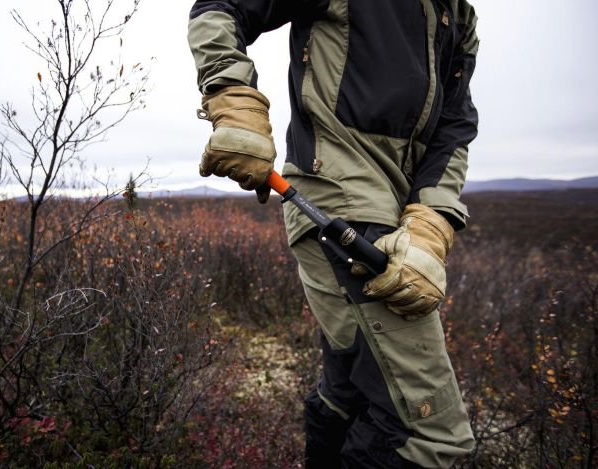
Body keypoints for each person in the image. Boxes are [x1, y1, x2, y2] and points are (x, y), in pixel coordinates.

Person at [187, 1, 479, 467]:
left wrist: (431, 221)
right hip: (339, 201)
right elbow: (220, 8)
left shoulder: (459, 17)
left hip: (403, 217)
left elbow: (455, 127)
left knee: (350, 392)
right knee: (430, 434)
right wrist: (233, 98)